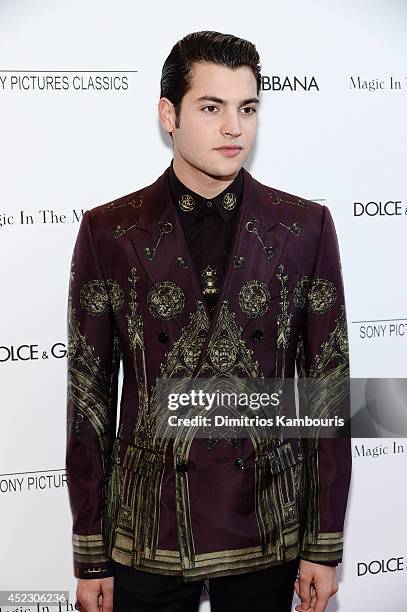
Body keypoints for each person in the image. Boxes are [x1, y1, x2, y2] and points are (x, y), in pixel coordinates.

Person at [66, 30, 352, 612]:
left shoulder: (305, 228)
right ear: (168, 114)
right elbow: (89, 400)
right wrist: (91, 553)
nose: (234, 129)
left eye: (248, 108)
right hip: (146, 535)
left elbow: (327, 395)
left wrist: (323, 545)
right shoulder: (108, 233)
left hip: (266, 530)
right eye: (211, 107)